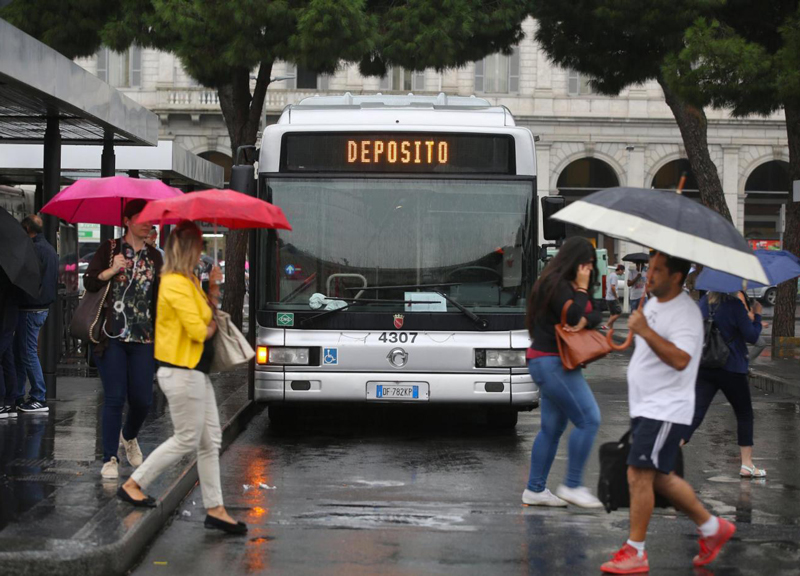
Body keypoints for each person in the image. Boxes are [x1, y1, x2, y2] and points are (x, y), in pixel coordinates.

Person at [602, 252, 735, 573]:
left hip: (665, 408)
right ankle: (712, 528)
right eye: (650, 269)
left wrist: (645, 330)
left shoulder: (686, 313)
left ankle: (636, 551)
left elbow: (681, 359)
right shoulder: (652, 303)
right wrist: (633, 329)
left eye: (658, 270)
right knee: (659, 477)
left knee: (638, 472)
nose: (649, 275)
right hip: (647, 406)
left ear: (677, 276)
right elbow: (647, 347)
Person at [118, 221, 247, 535]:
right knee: (188, 439)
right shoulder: (173, 283)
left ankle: (215, 509)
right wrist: (212, 315)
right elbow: (200, 330)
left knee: (209, 441)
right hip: (180, 372)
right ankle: (135, 483)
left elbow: (207, 315)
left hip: (195, 373)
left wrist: (213, 290)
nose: (202, 251)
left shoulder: (188, 280)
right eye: (199, 245)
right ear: (186, 249)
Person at [522, 236, 604, 509]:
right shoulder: (554, 284)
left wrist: (582, 313)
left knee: (552, 428)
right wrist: (581, 297)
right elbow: (573, 317)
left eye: (592, 264)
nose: (590, 269)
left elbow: (594, 316)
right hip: (551, 362)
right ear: (574, 262)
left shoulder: (563, 284)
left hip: (553, 362)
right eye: (587, 263)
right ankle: (572, 484)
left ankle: (535, 489)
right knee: (589, 419)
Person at [84, 200, 163, 479]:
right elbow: (90, 282)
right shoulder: (110, 249)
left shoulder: (155, 257)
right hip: (111, 337)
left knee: (142, 400)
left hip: (143, 338)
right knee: (115, 398)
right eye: (143, 218)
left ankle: (129, 437)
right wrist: (111, 270)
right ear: (127, 220)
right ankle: (110, 459)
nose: (148, 223)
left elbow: (160, 299)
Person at [685, 290, 765, 478]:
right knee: (744, 414)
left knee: (695, 414)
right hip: (732, 367)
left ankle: (665, 455)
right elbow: (752, 336)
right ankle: (747, 464)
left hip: (706, 366)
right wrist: (757, 316)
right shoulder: (734, 305)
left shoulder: (704, 302)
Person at [14, 215, 59, 413]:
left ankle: (38, 396)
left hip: (30, 307)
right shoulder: (49, 249)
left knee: (28, 352)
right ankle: (20, 393)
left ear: (26, 229)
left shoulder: (32, 250)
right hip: (42, 307)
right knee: (25, 351)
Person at [0, 268, 21, 418]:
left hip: (4, 317)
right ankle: (10, 401)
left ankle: (2, 402)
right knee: (7, 358)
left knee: (4, 357)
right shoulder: (14, 271)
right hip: (10, 315)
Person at [601, 264, 624, 329]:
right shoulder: (615, 276)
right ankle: (606, 325)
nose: (622, 272)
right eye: (622, 271)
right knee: (619, 312)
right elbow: (613, 287)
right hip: (612, 298)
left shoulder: (611, 275)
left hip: (608, 297)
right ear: (619, 270)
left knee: (612, 314)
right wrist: (616, 296)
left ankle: (610, 329)